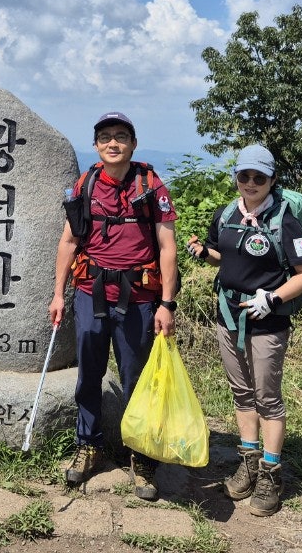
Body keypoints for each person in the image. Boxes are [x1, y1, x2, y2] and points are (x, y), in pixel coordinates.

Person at [49, 112, 178, 501]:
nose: (113, 143)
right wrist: (59, 294)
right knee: (88, 373)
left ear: (133, 144)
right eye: (105, 137)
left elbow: (168, 246)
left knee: (137, 377)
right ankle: (89, 444)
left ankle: (142, 455)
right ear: (96, 145)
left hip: (139, 297)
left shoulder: (150, 184)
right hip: (90, 291)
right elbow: (69, 243)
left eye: (121, 136)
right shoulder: (86, 184)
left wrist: (167, 304)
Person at [187, 143, 302, 516]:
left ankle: (270, 474)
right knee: (242, 394)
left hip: (267, 322)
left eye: (259, 177)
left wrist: (272, 299)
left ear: (272, 179)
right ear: (237, 177)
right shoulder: (227, 213)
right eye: (244, 175)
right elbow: (222, 254)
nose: (250, 182)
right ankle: (248, 462)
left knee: (267, 399)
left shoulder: (285, 219)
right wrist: (203, 253)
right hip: (228, 315)